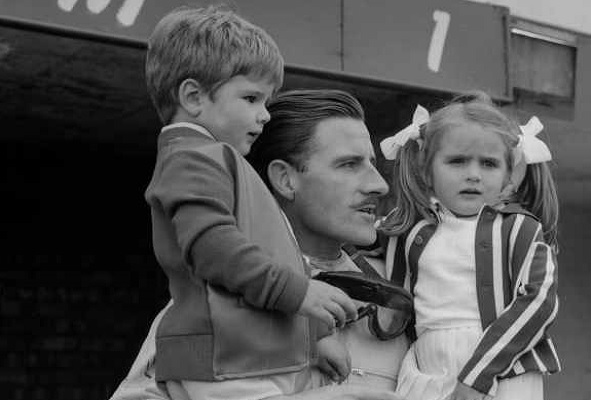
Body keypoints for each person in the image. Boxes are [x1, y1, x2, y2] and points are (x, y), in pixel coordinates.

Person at [110, 89, 406, 400]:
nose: (379, 185)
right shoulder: (211, 300)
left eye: (371, 164)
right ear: (285, 179)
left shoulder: (403, 299)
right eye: (349, 164)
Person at [142, 6, 357, 400]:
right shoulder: (193, 157)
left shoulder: (215, 159)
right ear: (193, 96)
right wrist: (299, 293)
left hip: (243, 360)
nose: (265, 115)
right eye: (252, 98)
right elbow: (215, 250)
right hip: (227, 364)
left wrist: (313, 338)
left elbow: (257, 264)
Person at [377, 91, 562, 400]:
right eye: (457, 161)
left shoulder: (520, 229)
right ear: (426, 169)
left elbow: (539, 302)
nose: (473, 175)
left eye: (488, 164)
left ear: (509, 175)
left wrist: (479, 375)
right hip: (426, 369)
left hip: (505, 370)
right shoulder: (406, 228)